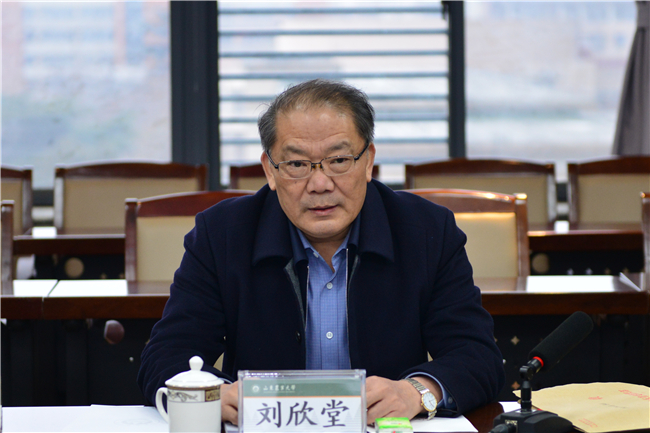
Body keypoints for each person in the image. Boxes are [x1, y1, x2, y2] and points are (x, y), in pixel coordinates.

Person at [137, 79, 505, 424]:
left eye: (339, 160)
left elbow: (477, 356)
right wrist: (215, 395)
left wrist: (417, 393)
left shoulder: (426, 231)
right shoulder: (222, 235)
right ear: (270, 170)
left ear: (368, 162)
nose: (319, 183)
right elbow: (166, 355)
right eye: (297, 164)